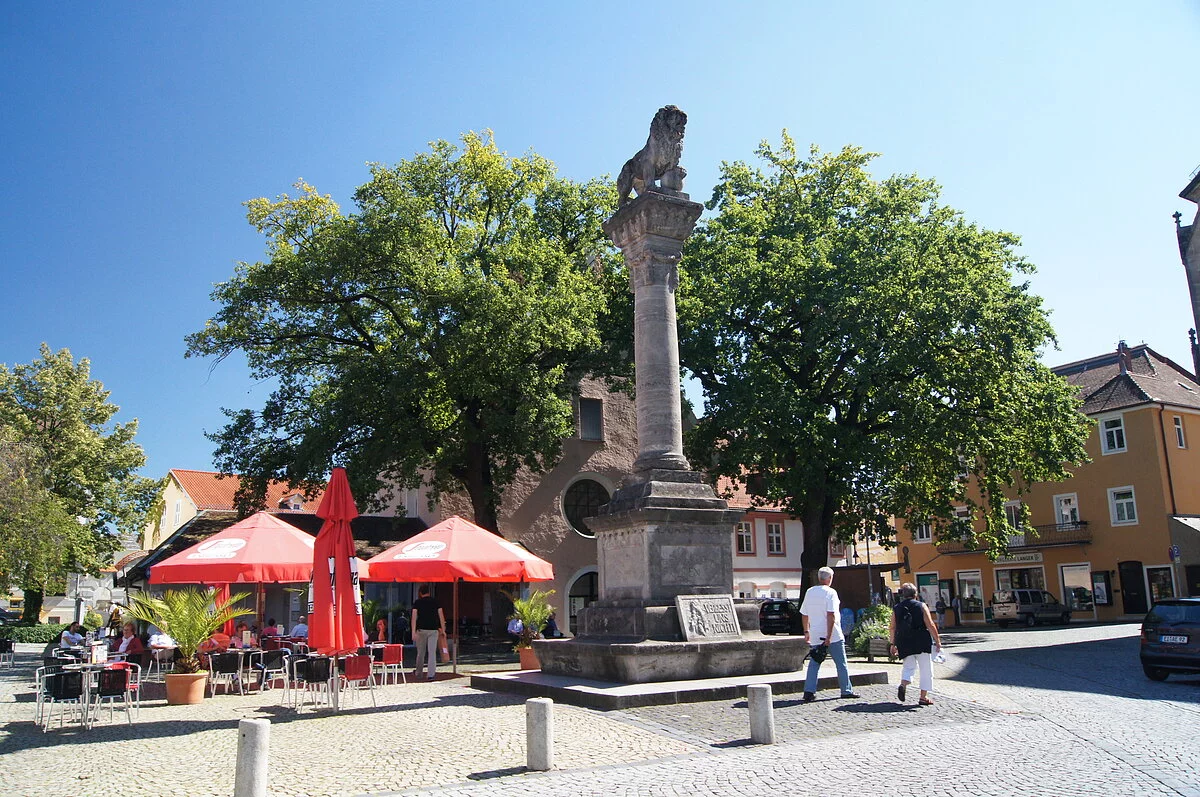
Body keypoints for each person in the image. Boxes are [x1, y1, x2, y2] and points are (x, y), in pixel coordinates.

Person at [799, 567, 859, 702]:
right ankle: (846, 690)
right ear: (830, 579)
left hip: (815, 633)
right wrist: (829, 636)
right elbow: (831, 614)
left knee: (814, 662)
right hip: (833, 634)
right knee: (841, 663)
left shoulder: (809, 592)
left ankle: (809, 691)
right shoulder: (831, 593)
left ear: (819, 578)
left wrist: (806, 631)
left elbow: (804, 614)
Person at [890, 582, 943, 706]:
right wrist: (937, 641)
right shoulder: (921, 606)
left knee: (908, 666)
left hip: (904, 641)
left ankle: (903, 684)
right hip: (921, 640)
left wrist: (893, 644)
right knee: (926, 670)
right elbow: (930, 624)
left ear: (902, 595)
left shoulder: (897, 608)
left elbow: (892, 627)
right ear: (916, 593)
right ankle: (923, 697)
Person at [410, 586, 446, 681]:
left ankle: (419, 673)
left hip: (421, 630)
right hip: (433, 630)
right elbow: (441, 616)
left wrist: (413, 632)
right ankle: (431, 674)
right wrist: (443, 629)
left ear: (420, 593)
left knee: (420, 653)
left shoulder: (417, 603)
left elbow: (414, 618)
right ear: (429, 593)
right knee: (432, 653)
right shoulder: (436, 602)